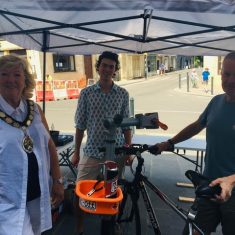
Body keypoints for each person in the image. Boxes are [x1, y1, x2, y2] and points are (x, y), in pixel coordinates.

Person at [153, 52, 235, 235]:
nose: (230, 80)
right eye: (227, 74)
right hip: (210, 186)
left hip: (233, 190)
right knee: (192, 232)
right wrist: (169, 143)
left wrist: (231, 180)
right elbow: (197, 125)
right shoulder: (216, 102)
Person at [0, 55, 64, 235]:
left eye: (17, 75)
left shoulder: (35, 109)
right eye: (4, 74)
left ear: (25, 80)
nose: (10, 80)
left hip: (38, 192)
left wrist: (58, 181)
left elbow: (49, 145)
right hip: (8, 199)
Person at [71, 51, 132, 234]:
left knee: (111, 192)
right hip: (92, 151)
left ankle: (110, 224)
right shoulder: (87, 93)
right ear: (98, 67)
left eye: (111, 67)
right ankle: (80, 227)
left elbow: (127, 125)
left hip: (116, 152)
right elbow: (80, 125)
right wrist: (75, 152)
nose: (107, 69)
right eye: (104, 65)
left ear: (115, 70)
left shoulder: (122, 93)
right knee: (80, 191)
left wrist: (128, 151)